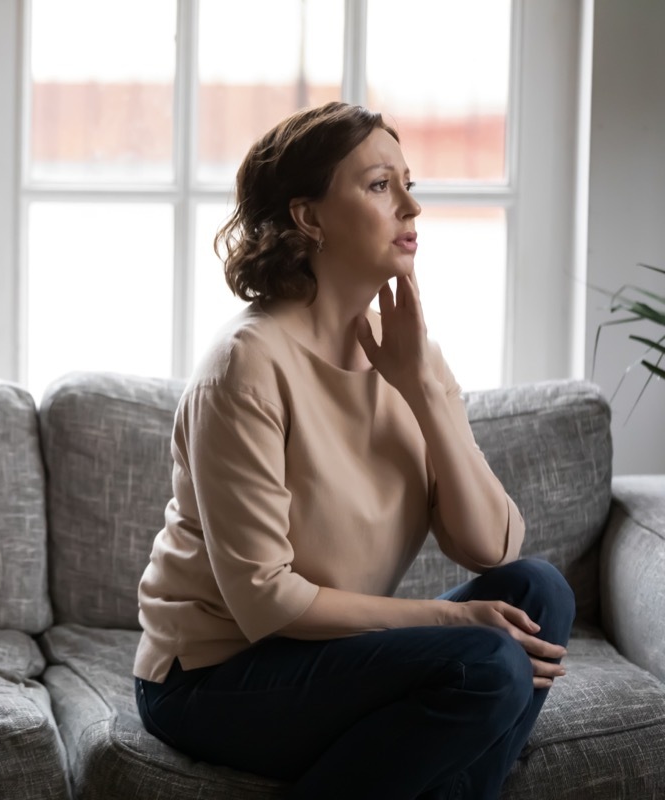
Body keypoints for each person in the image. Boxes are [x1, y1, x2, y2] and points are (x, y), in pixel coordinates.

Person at [133, 102, 574, 800]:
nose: (412, 206)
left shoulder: (407, 355)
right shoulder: (248, 364)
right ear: (309, 218)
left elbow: (493, 547)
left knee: (539, 590)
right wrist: (453, 617)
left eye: (409, 182)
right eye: (379, 186)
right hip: (214, 678)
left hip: (326, 657)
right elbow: (266, 603)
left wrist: (424, 390)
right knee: (489, 662)